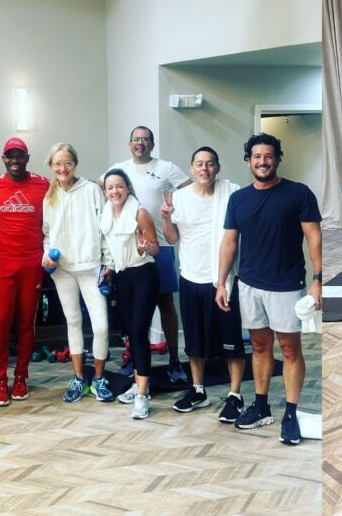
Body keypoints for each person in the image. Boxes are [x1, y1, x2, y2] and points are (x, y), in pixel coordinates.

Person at [216, 133, 322, 446]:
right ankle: (261, 405)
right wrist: (221, 282)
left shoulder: (298, 194)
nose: (263, 161)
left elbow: (314, 238)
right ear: (249, 160)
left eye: (269, 156)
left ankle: (290, 412)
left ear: (277, 158)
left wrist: (318, 279)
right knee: (260, 346)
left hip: (286, 285)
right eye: (257, 156)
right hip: (248, 284)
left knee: (289, 349)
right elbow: (229, 242)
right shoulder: (238, 199)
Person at [161, 147, 246, 421]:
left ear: (218, 168)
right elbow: (172, 238)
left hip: (223, 279)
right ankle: (198, 390)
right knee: (195, 340)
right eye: (199, 164)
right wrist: (165, 216)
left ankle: (235, 395)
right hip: (191, 276)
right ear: (191, 169)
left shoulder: (231, 192)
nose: (204, 169)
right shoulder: (180, 198)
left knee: (231, 341)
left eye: (210, 164)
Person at [103, 126, 191, 383]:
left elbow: (189, 191)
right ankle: (133, 355)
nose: (140, 143)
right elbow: (94, 187)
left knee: (165, 303)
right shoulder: (119, 169)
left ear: (152, 144)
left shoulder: (166, 167)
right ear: (129, 144)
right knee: (131, 310)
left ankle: (174, 360)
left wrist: (177, 218)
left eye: (145, 139)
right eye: (136, 139)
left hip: (159, 246)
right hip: (129, 253)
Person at [42, 143, 112, 403]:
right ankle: (79, 379)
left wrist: (108, 264)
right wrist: (46, 255)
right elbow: (47, 234)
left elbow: (105, 228)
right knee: (73, 323)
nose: (63, 168)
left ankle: (100, 379)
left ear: (75, 164)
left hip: (91, 266)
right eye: (58, 164)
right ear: (51, 167)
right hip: (62, 270)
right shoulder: (49, 197)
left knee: (102, 326)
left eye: (68, 163)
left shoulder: (92, 190)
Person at [0, 137, 50, 406]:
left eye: (19, 156)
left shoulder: (43, 184)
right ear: (3, 158)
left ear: (27, 157)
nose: (15, 160)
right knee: (0, 322)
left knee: (26, 323)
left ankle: (21, 376)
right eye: (10, 156)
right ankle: (1, 380)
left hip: (31, 263)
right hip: (1, 263)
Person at [98, 168, 160, 418]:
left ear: (128, 187)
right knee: (130, 334)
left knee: (138, 333)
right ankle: (138, 384)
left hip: (143, 274)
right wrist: (109, 269)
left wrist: (146, 247)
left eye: (119, 186)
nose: (115, 191)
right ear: (105, 192)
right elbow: (110, 247)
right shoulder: (107, 213)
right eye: (110, 187)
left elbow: (155, 248)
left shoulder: (140, 212)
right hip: (122, 277)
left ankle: (143, 396)